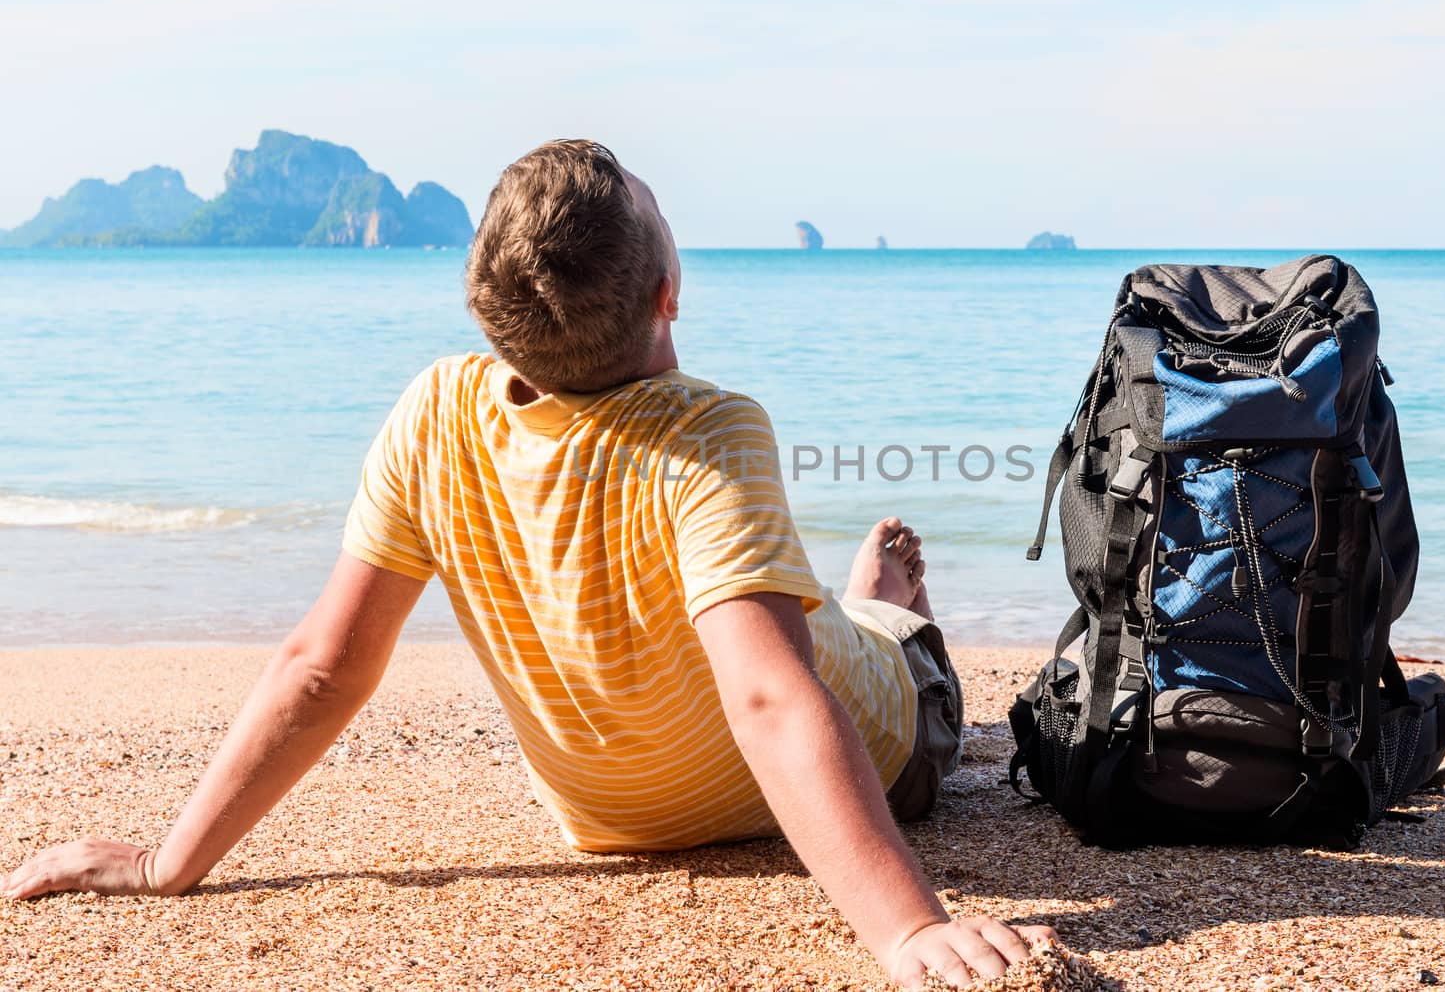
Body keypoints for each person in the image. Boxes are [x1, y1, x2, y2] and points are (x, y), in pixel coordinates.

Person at [2, 140, 1055, 988]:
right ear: (669, 296)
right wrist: (906, 927)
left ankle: (859, 603)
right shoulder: (712, 432)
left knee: (803, 617)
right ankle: (886, 613)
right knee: (902, 671)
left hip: (609, 821)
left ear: (484, 312)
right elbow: (775, 702)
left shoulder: (438, 414)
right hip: (879, 745)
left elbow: (323, 665)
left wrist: (168, 862)